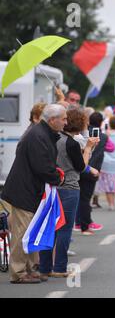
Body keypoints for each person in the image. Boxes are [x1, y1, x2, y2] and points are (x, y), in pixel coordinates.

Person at [1, 104, 67, 284]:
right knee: (23, 233)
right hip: (24, 191)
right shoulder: (38, 136)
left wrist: (54, 173)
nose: (65, 122)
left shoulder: (41, 133)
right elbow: (41, 166)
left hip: (31, 189)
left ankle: (29, 269)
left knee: (31, 231)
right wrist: (56, 177)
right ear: (52, 120)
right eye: (63, 119)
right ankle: (19, 272)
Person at [39, 108, 99, 280]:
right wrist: (88, 148)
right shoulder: (72, 144)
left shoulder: (54, 138)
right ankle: (59, 267)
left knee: (50, 228)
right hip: (69, 187)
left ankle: (44, 267)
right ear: (79, 124)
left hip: (51, 186)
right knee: (65, 229)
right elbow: (81, 167)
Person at [75, 112, 115, 235]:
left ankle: (78, 222)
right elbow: (111, 148)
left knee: (78, 197)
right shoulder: (102, 137)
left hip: (79, 168)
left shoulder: (80, 135)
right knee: (86, 199)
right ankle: (85, 225)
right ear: (101, 122)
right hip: (92, 171)